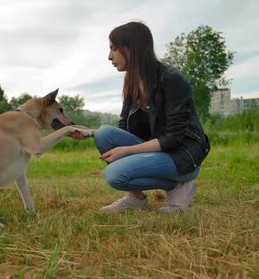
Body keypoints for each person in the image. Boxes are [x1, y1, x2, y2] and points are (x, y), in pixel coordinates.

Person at [89, 21, 210, 213]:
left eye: (114, 49)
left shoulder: (172, 79)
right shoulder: (132, 82)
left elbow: (173, 137)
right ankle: (136, 198)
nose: (110, 56)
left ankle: (180, 186)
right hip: (157, 152)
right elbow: (124, 128)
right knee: (103, 134)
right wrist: (88, 133)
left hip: (182, 156)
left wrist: (127, 151)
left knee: (115, 174)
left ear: (131, 49)